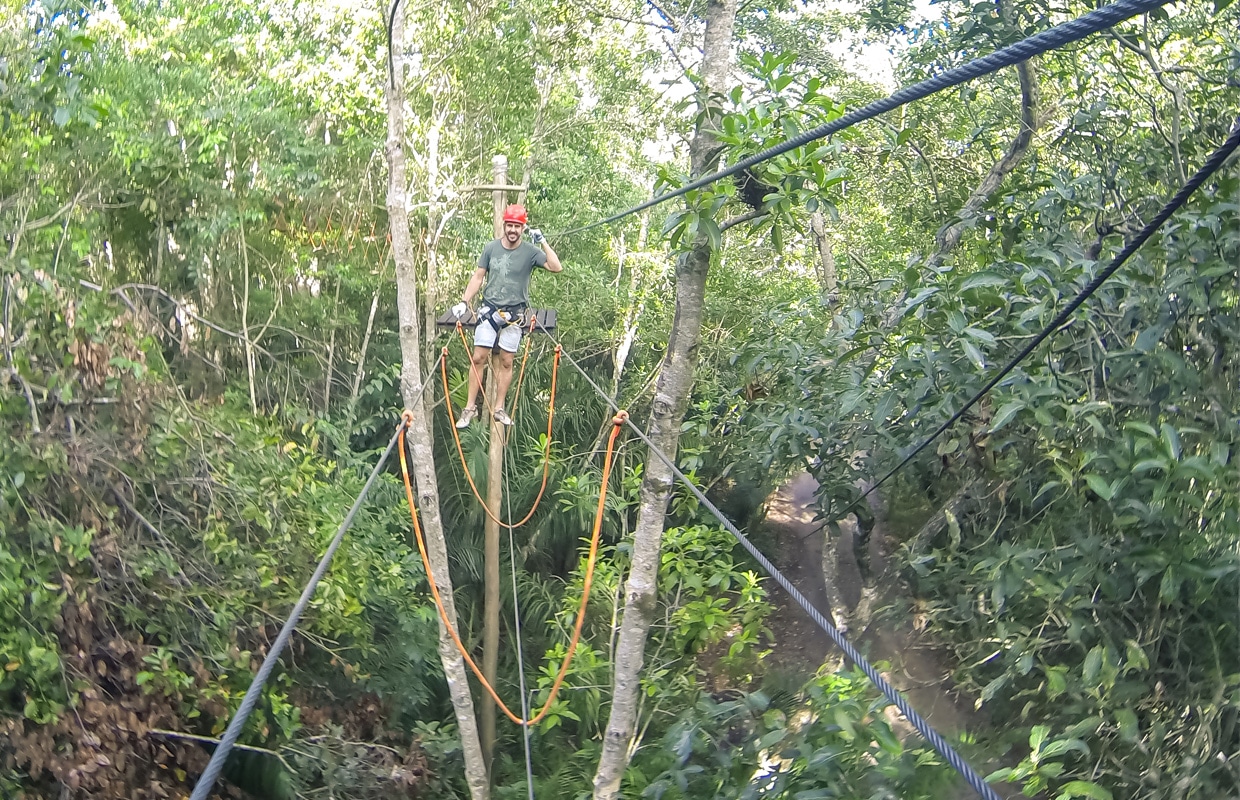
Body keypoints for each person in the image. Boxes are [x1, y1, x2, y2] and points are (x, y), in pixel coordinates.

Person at [451, 204, 562, 427]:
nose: (513, 230)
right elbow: (478, 276)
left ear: (523, 228)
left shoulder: (530, 252)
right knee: (478, 358)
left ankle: (499, 408)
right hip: (490, 309)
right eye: (510, 225)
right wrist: (464, 302)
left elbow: (556, 267)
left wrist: (543, 241)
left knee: (507, 360)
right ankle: (470, 408)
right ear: (504, 225)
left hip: (515, 313)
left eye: (517, 226)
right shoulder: (491, 248)